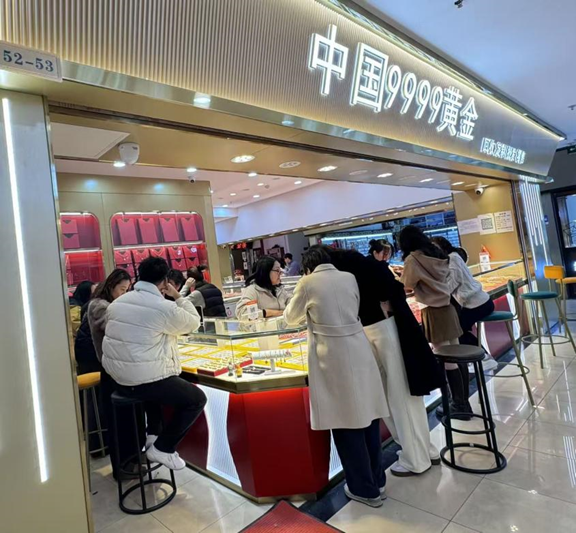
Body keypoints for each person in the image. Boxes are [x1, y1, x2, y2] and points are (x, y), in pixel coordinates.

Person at [284, 246, 389, 508]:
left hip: (332, 357)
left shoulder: (307, 282)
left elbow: (290, 318)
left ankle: (363, 489)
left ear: (307, 266)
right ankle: (378, 481)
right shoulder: (348, 277)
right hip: (359, 348)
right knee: (368, 417)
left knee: (345, 424)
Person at [329, 247, 443, 477]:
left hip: (379, 332)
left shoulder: (350, 275)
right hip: (387, 330)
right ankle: (424, 451)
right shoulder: (371, 267)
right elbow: (394, 291)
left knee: (399, 397)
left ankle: (416, 459)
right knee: (403, 396)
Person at [102, 257, 206, 470]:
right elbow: (194, 322)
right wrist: (177, 295)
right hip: (141, 381)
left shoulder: (117, 304)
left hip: (117, 378)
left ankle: (153, 434)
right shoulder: (162, 307)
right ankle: (163, 448)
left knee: (156, 381)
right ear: (165, 281)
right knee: (196, 399)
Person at [398, 226, 472, 419]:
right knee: (455, 354)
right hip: (448, 308)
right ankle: (464, 402)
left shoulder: (413, 259)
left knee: (446, 358)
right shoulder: (436, 253)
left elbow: (406, 285)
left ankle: (457, 405)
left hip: (433, 311)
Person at [77, 269, 132, 477]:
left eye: (127, 290)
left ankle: (125, 459)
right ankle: (117, 462)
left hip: (111, 364)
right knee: (113, 416)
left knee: (119, 417)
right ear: (111, 286)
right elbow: (117, 329)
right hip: (105, 365)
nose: (124, 294)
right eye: (122, 289)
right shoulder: (100, 306)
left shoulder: (106, 304)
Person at [431, 237, 497, 372]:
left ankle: (483, 358)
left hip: (478, 304)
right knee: (459, 329)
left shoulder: (452, 258)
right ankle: (481, 357)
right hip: (479, 302)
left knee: (457, 331)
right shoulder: (453, 258)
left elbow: (453, 284)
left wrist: (434, 289)